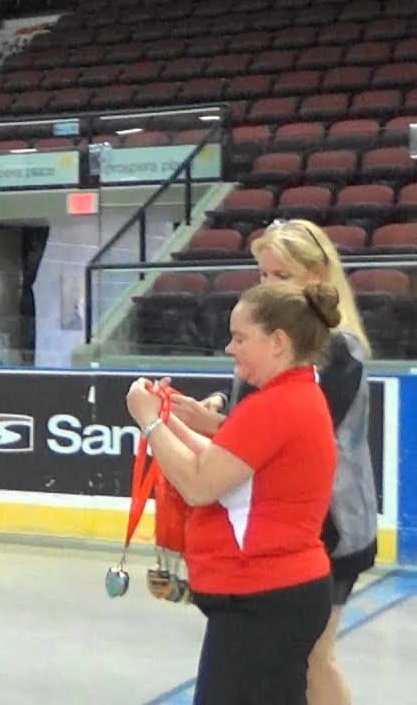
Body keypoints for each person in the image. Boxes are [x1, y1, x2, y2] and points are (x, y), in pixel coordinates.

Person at [171, 219, 377, 705]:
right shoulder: (280, 336)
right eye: (263, 275)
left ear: (317, 274)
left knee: (316, 657)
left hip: (330, 525)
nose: (266, 285)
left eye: (280, 276)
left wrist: (203, 431)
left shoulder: (336, 349)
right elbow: (256, 411)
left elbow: (290, 437)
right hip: (293, 523)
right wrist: (219, 411)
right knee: (301, 662)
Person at [126, 281, 343, 705]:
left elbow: (198, 484)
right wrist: (173, 424)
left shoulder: (274, 406)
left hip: (261, 601)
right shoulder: (293, 396)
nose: (229, 348)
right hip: (274, 596)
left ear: (278, 341)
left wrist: (150, 423)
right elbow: (225, 467)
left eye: (240, 338)